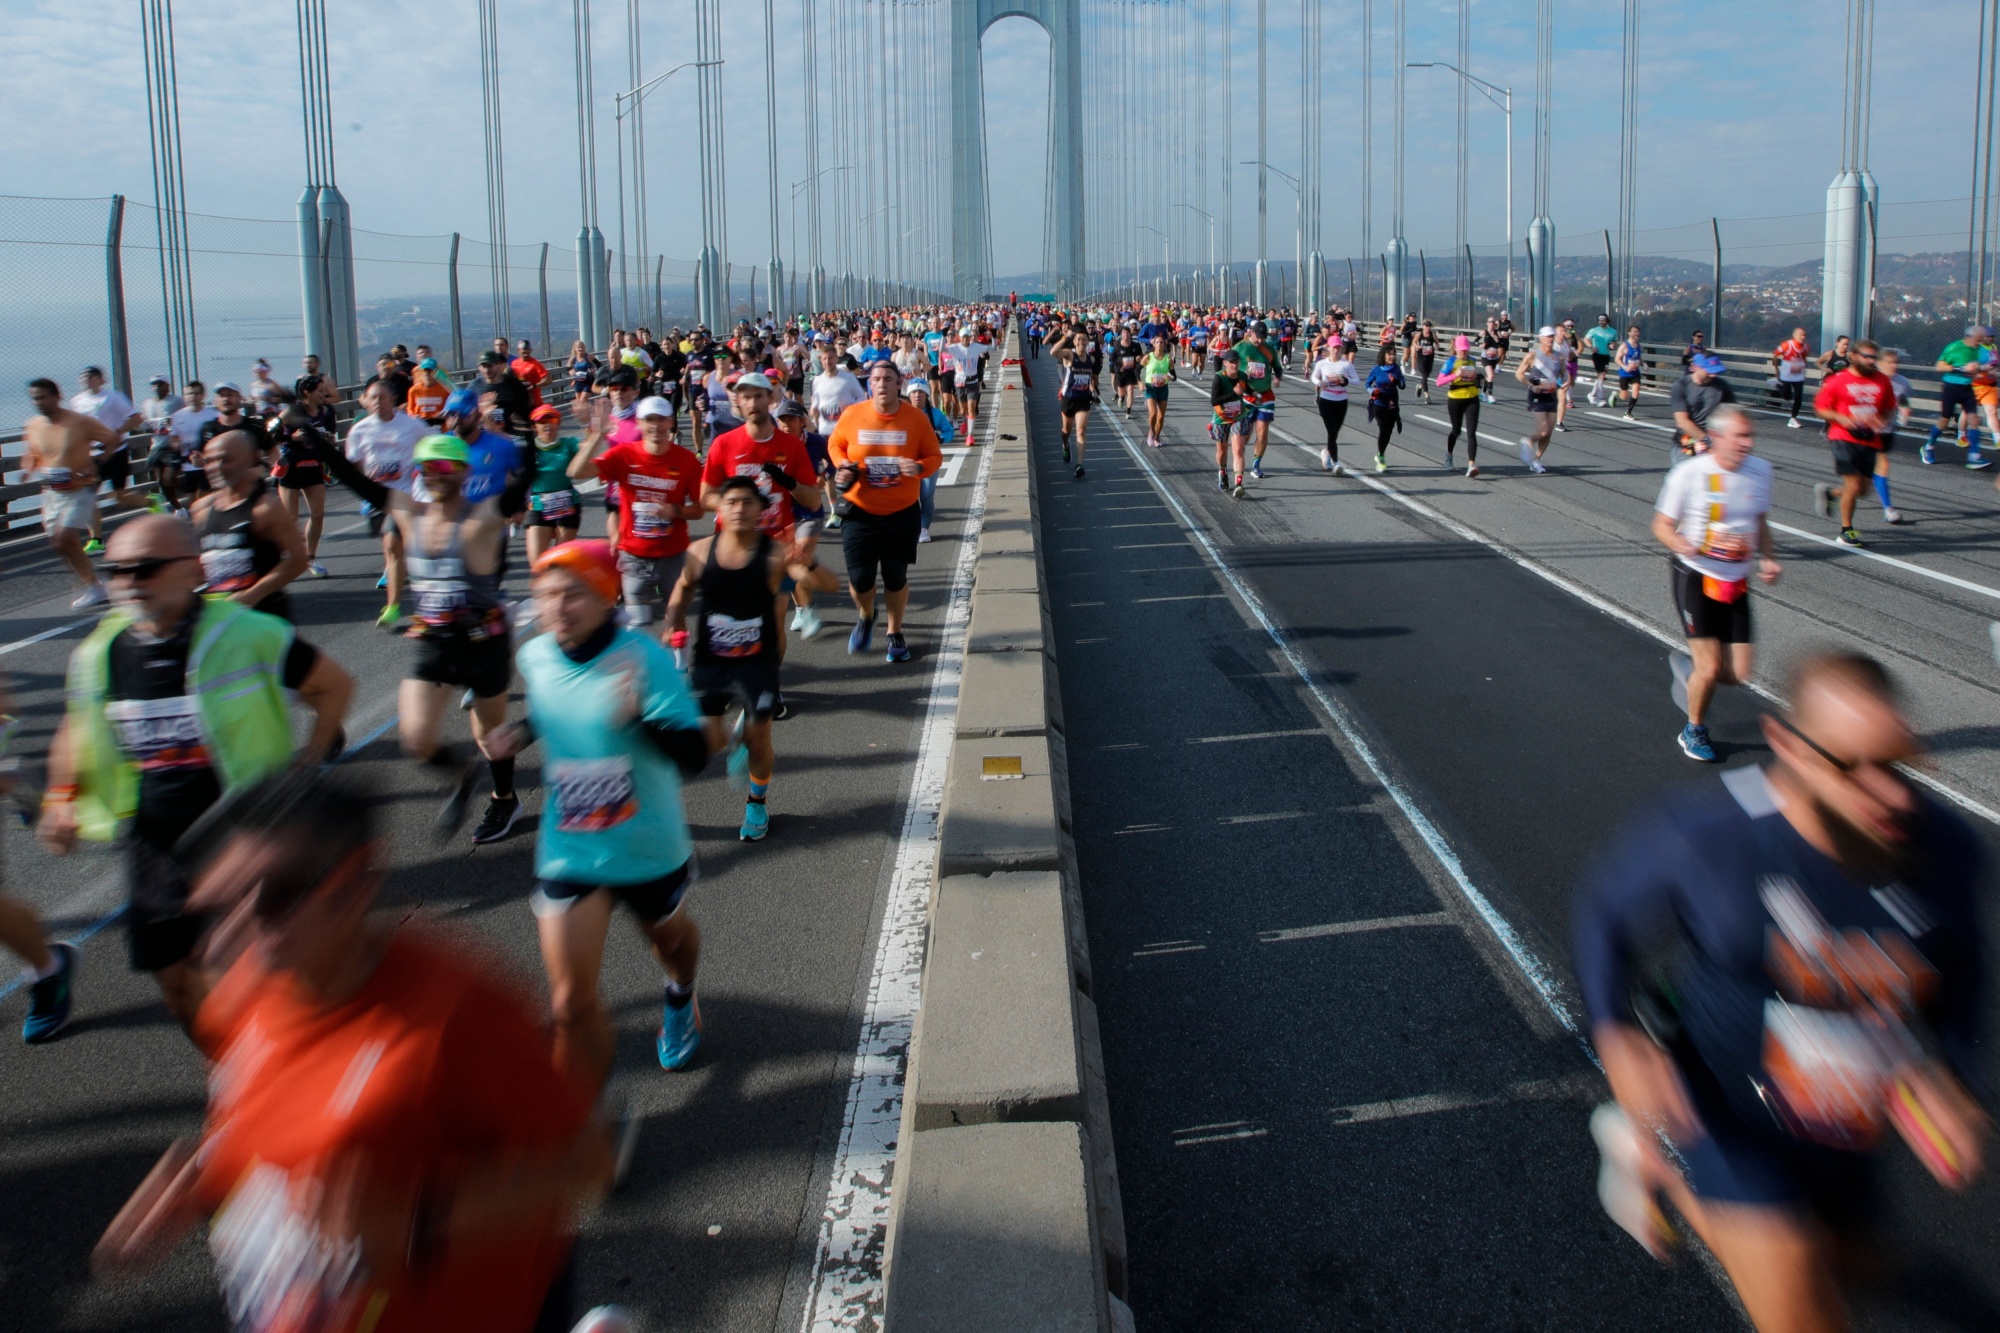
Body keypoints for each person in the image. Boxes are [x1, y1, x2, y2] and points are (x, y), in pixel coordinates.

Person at [90, 769, 619, 1332]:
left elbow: (585, 1164)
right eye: (221, 904)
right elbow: (261, 1105)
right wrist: (207, 1173)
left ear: (355, 882)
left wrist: (416, 1223)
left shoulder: (457, 1012)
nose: (231, 935)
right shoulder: (242, 995)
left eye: (276, 896)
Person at [1574, 652, 1989, 1333]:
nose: (1889, 795)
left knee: (1859, 1266)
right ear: (1790, 749)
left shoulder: (1947, 853)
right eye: (1851, 766)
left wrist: (1956, 1076)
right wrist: (1617, 1035)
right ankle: (1681, 1169)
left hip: (1844, 1121)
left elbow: (1963, 971)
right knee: (1802, 1301)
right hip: (1722, 1106)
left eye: (1897, 763)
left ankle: (1660, 1171)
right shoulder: (1710, 839)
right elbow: (1604, 917)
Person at [38, 514, 351, 1033]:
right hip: (153, 843)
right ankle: (233, 1084)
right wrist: (61, 797)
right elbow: (78, 727)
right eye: (116, 571)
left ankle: (285, 1083)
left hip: (245, 835)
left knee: (263, 982)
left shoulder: (251, 634)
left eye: (146, 569)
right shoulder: (100, 653)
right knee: (179, 986)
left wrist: (309, 762)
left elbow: (334, 688)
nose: (129, 583)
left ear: (192, 569)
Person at [484, 540, 711, 1083]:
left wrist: (639, 718)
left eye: (573, 595)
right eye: (546, 596)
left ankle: (681, 996)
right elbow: (550, 707)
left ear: (607, 596)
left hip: (646, 846)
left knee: (672, 945)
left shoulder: (644, 659)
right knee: (568, 1003)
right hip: (571, 848)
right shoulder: (535, 655)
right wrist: (518, 732)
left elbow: (696, 756)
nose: (557, 609)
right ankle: (589, 1124)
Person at [315, 435, 529, 844]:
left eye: (445, 467)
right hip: (434, 640)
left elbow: (517, 490)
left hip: (485, 641)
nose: (435, 475)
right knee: (416, 739)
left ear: (464, 472)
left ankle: (504, 799)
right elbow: (350, 478)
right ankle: (462, 774)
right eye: (427, 468)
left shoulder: (481, 514)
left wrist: (529, 450)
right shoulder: (407, 510)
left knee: (491, 735)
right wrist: (310, 434)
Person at [1651, 406, 1780, 762]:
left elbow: (1760, 520)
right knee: (1709, 668)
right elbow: (1661, 526)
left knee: (1737, 674)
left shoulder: (1760, 471)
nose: (1748, 443)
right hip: (1694, 574)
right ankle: (1693, 731)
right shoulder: (1689, 474)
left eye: (1750, 436)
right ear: (1718, 437)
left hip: (1736, 580)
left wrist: (1768, 557)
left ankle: (1692, 673)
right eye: (1740, 436)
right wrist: (1683, 544)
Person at [671, 478, 787, 841]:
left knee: (758, 738)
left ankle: (757, 800)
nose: (738, 509)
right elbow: (684, 586)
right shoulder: (700, 551)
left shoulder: (773, 554)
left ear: (759, 509)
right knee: (710, 742)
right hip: (711, 660)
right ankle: (734, 733)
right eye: (731, 501)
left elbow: (781, 612)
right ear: (719, 508)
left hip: (757, 660)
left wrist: (776, 656)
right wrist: (673, 620)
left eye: (747, 502)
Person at [827, 361, 942, 661]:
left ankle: (894, 632)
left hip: (901, 512)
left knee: (895, 577)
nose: (881, 384)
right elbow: (835, 444)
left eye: (887, 379)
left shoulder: (915, 419)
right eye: (876, 379)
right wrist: (843, 465)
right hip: (859, 510)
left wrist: (918, 467)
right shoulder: (854, 415)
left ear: (898, 384)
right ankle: (866, 615)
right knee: (860, 578)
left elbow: (934, 456)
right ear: (870, 384)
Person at [569, 397, 704, 632]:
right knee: (637, 623)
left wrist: (675, 511)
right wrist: (596, 435)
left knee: (675, 617)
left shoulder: (686, 460)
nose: (656, 426)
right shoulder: (623, 455)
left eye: (661, 420)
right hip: (634, 556)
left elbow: (699, 510)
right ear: (639, 424)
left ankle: (679, 665)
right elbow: (576, 472)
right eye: (649, 420)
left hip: (672, 555)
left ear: (671, 422)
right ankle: (640, 666)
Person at [191, 430, 309, 621]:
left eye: (225, 460)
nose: (217, 467)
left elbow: (298, 560)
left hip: (264, 618)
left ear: (250, 460)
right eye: (209, 461)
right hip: (218, 619)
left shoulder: (265, 508)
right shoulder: (201, 510)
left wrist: (251, 595)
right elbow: (199, 563)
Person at [23, 377, 116, 606]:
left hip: (80, 489)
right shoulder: (33, 425)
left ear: (57, 396)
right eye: (35, 398)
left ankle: (99, 584)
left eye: (43, 397)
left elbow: (113, 439)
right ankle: (95, 587)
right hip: (52, 492)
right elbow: (34, 454)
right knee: (65, 545)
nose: (39, 402)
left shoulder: (79, 421)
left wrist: (96, 463)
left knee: (63, 541)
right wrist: (28, 469)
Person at [346, 378, 431, 626]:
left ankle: (393, 606)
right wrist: (366, 482)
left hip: (404, 496)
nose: (377, 402)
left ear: (393, 399)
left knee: (393, 544)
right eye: (372, 398)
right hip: (376, 499)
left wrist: (422, 474)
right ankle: (410, 591)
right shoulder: (360, 429)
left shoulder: (412, 425)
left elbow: (431, 446)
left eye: (382, 397)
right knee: (393, 551)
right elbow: (353, 461)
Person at [1812, 339, 1898, 548]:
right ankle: (1846, 531)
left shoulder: (1882, 381)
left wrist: (1882, 418)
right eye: (1866, 356)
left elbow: (1889, 407)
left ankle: (1831, 493)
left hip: (1870, 438)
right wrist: (1840, 418)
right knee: (1852, 484)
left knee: (1862, 490)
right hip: (1842, 438)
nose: (1870, 361)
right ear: (1854, 356)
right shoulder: (1838, 380)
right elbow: (1820, 408)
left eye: (1873, 357)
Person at [71, 365, 153, 548]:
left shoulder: (112, 397)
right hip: (93, 455)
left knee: (119, 496)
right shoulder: (77, 401)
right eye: (84, 378)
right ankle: (96, 539)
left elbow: (136, 418)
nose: (87, 380)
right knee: (87, 496)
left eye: (92, 377)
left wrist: (118, 432)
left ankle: (150, 500)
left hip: (116, 451)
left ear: (101, 379)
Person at [271, 374, 335, 577]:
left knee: (317, 514)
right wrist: (291, 437)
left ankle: (310, 558)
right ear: (307, 393)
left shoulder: (326, 411)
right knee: (290, 518)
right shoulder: (292, 411)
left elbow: (329, 434)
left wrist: (328, 439)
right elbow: (271, 433)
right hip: (292, 467)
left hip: (314, 466)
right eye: (320, 390)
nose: (324, 393)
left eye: (324, 389)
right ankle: (282, 558)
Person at [1926, 325, 1994, 469]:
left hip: (1967, 388)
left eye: (1981, 340)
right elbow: (1939, 366)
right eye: (1977, 340)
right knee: (1944, 422)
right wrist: (1961, 368)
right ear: (1968, 337)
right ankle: (1928, 448)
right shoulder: (1954, 347)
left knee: (1974, 419)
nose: (1979, 343)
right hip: (1950, 387)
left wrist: (1983, 368)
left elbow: (1984, 366)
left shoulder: (1980, 349)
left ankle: (1974, 457)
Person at [524, 405, 583, 566]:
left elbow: (588, 448)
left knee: (561, 563)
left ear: (558, 423)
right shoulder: (528, 449)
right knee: (537, 564)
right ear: (534, 426)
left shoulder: (568, 444)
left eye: (552, 420)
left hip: (567, 505)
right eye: (542, 422)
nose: (547, 425)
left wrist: (588, 423)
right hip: (538, 505)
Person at [1514, 326, 1567, 473]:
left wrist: (1565, 382)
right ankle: (1528, 441)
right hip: (1536, 396)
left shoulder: (1559, 356)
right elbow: (1519, 373)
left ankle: (1536, 460)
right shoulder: (1533, 355)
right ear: (1541, 338)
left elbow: (1563, 373)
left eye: (1552, 336)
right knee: (1543, 430)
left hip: (1551, 395)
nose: (1550, 339)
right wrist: (1530, 385)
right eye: (1547, 336)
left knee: (1548, 432)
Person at [1233, 322, 1282, 480]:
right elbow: (1226, 366)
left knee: (1262, 432)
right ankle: (1239, 456)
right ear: (1251, 333)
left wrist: (1277, 377)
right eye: (1258, 337)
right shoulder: (1240, 347)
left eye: (1263, 338)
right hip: (1246, 396)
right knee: (1245, 434)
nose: (1260, 341)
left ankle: (1256, 464)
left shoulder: (1269, 349)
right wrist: (1241, 375)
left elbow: (1277, 366)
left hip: (1265, 395)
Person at [1054, 325, 1103, 479]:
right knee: (1066, 432)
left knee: (1081, 430)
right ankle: (1065, 445)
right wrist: (1065, 337)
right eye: (1079, 339)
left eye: (1084, 339)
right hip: (1069, 398)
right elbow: (1053, 352)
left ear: (1088, 342)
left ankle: (1079, 464)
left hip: (1083, 399)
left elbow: (1089, 379)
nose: (1082, 342)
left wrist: (1094, 392)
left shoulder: (1091, 359)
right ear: (1075, 342)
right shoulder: (1069, 355)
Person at [1310, 338, 1362, 475]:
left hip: (1341, 400)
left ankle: (1326, 452)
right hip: (1326, 400)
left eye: (1338, 347)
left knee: (1335, 431)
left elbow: (1357, 381)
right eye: (1334, 347)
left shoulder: (1346, 365)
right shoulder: (1322, 364)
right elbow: (1314, 378)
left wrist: (1346, 380)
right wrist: (1321, 383)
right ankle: (1336, 463)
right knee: (1331, 431)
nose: (1336, 350)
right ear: (1329, 348)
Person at [1670, 353, 1738, 460]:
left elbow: (1733, 413)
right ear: (1696, 367)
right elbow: (1682, 422)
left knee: (1715, 477)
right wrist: (1708, 441)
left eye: (1716, 371)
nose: (1713, 375)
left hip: (1713, 444)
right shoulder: (1680, 386)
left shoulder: (1721, 386)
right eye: (1709, 371)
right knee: (1689, 475)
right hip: (1688, 444)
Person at [1438, 335, 1484, 476]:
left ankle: (1471, 465)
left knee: (1471, 433)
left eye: (1466, 350)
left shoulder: (1472, 361)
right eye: (1461, 350)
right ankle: (1449, 456)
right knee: (1456, 431)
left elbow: (1475, 380)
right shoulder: (1451, 362)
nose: (1464, 352)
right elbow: (1439, 382)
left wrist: (1478, 379)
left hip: (1472, 399)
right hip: (1456, 399)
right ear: (1456, 348)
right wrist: (1455, 375)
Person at [1364, 349, 1405, 473]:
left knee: (1388, 431)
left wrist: (1397, 381)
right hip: (1378, 403)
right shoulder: (1376, 369)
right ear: (1384, 355)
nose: (1392, 356)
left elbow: (1403, 385)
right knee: (1383, 428)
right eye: (1389, 354)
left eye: (1393, 354)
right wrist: (1372, 391)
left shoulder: (1396, 369)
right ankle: (1381, 458)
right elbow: (1367, 384)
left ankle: (1380, 453)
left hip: (1392, 403)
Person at [945, 326, 985, 440]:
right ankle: (965, 422)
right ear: (960, 338)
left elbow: (986, 353)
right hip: (960, 382)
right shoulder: (955, 348)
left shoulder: (975, 347)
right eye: (963, 337)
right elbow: (942, 350)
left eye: (967, 337)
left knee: (971, 408)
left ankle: (970, 436)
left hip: (973, 382)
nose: (965, 339)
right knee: (963, 410)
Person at [1141, 333, 1177, 449]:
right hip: (1150, 388)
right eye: (1157, 342)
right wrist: (1139, 382)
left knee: (1161, 416)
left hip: (1163, 389)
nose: (1160, 344)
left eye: (1162, 342)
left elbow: (1174, 376)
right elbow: (1137, 370)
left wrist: (1169, 378)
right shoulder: (1148, 357)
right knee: (1153, 414)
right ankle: (1151, 432)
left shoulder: (1168, 359)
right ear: (1154, 344)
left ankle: (1157, 437)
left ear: (1164, 344)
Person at [1771, 328, 1811, 428]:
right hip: (1787, 375)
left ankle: (1793, 418)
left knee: (1798, 398)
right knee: (1787, 397)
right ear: (1794, 335)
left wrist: (1804, 369)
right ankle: (1777, 385)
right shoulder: (1786, 345)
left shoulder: (1806, 347)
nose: (1803, 337)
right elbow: (1775, 355)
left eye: (1804, 335)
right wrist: (1776, 369)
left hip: (1799, 376)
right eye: (1801, 335)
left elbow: (1804, 358)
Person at [1584, 315, 1620, 406]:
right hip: (1597, 355)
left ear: (1607, 321)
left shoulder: (1613, 332)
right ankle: (1601, 398)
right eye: (1599, 320)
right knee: (1602, 375)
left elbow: (1614, 342)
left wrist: (1613, 345)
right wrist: (1591, 346)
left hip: (1606, 355)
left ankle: (1592, 395)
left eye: (1603, 320)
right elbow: (1586, 339)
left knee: (1601, 376)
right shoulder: (1594, 330)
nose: (1601, 322)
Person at [1613, 326, 1645, 419]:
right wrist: (1625, 367)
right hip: (1625, 373)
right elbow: (1617, 359)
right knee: (1624, 396)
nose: (1637, 334)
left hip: (1635, 373)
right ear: (1629, 333)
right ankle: (1616, 396)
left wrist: (1644, 364)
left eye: (1638, 332)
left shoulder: (1639, 346)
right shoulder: (1625, 346)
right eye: (1634, 332)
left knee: (1636, 390)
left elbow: (1639, 358)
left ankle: (1628, 413)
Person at [408, 357, 452, 424]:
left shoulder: (444, 389)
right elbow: (410, 409)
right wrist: (413, 416)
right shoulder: (414, 390)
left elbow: (449, 408)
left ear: (435, 372)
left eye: (429, 370)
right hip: (421, 424)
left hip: (439, 424)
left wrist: (443, 413)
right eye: (424, 370)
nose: (426, 373)